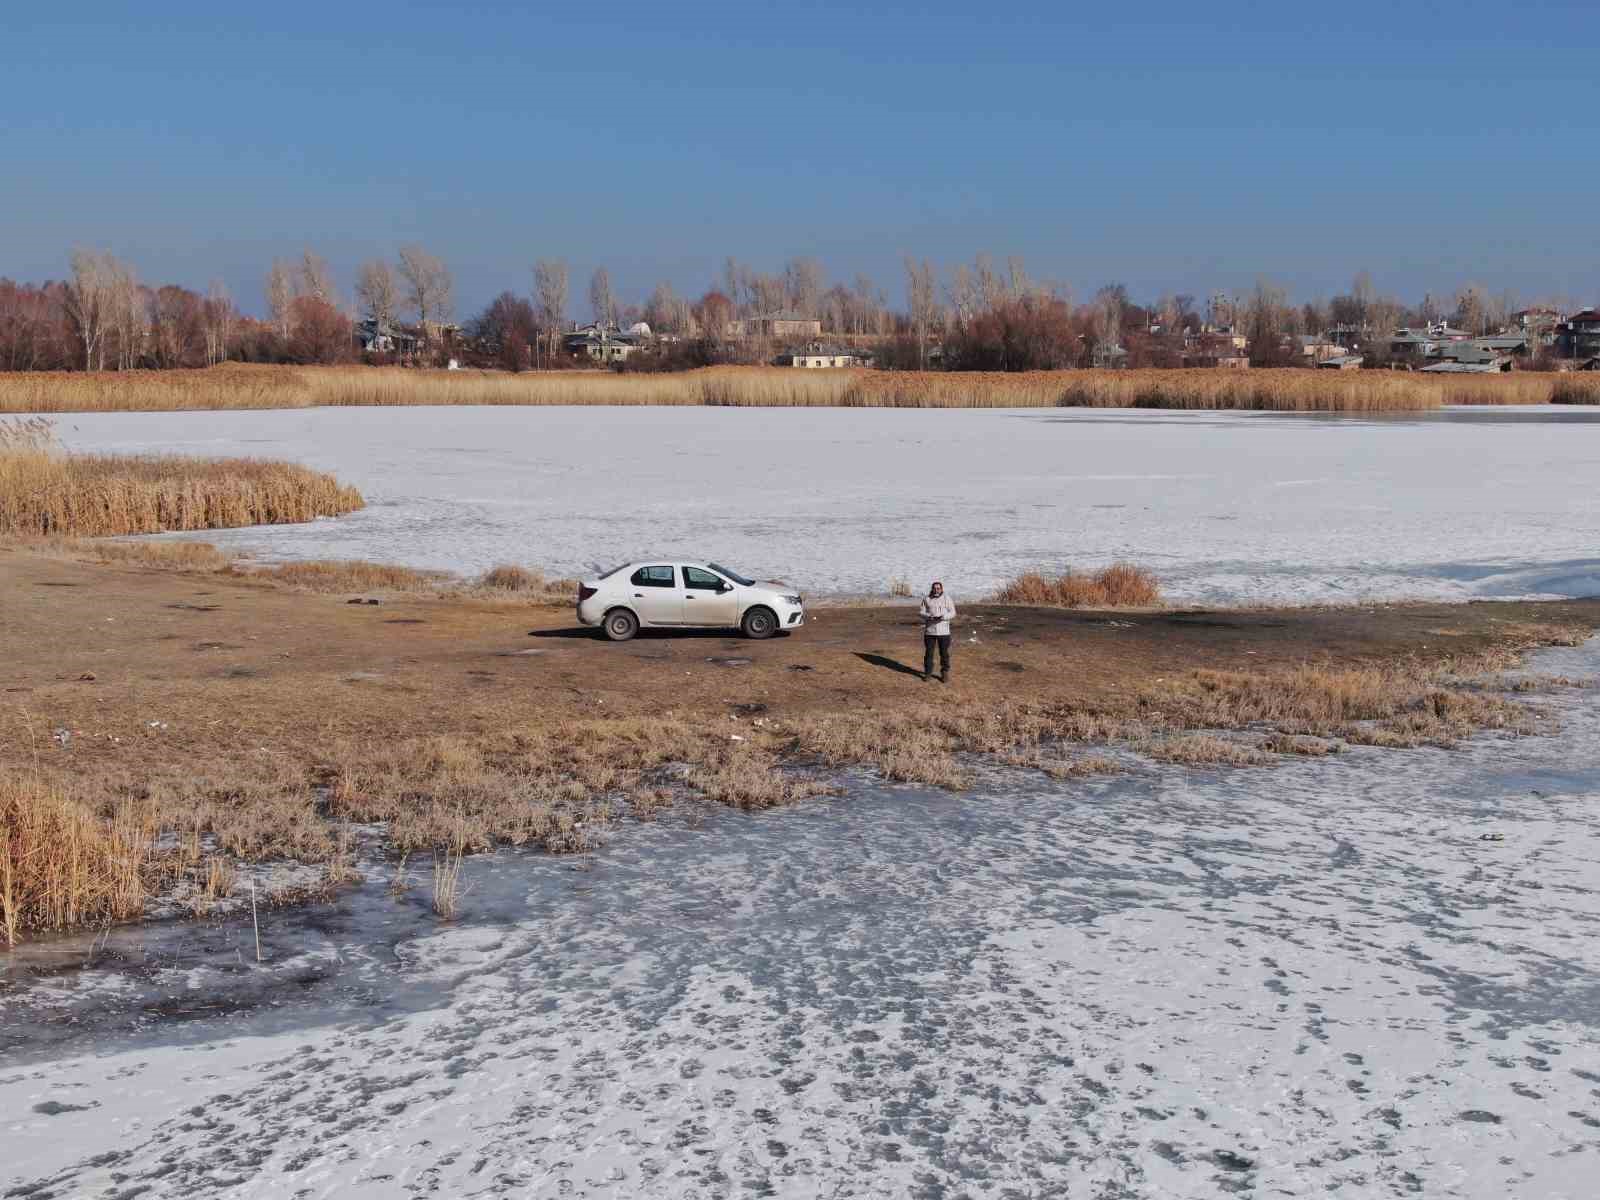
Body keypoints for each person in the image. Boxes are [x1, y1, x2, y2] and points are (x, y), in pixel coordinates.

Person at [919, 581, 956, 682]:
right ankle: (928, 673)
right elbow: (921, 612)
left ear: (941, 589)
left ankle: (944, 673)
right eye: (935, 588)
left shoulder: (947, 598)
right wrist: (928, 616)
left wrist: (944, 617)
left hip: (944, 631)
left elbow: (953, 612)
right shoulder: (927, 598)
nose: (936, 590)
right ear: (932, 588)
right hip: (930, 631)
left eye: (938, 588)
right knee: (929, 653)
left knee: (944, 653)